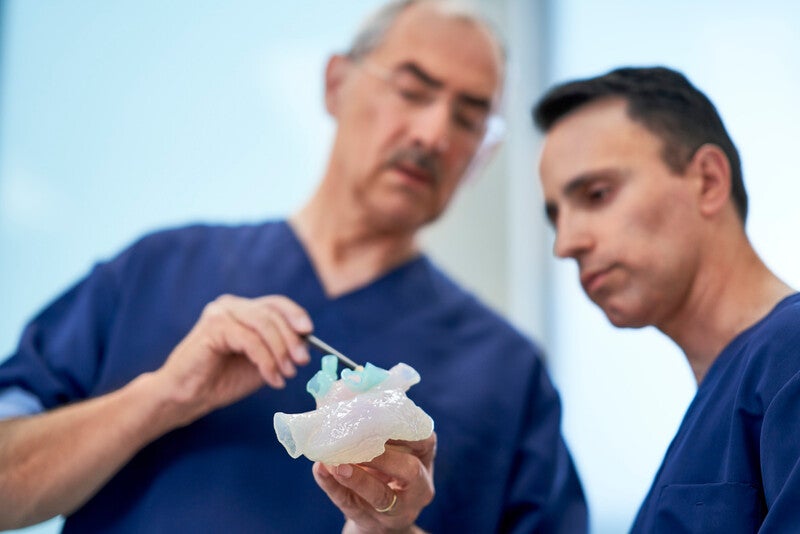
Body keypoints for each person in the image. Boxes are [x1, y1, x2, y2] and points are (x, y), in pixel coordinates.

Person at [0, 1, 587, 532]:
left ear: (481, 154)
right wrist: (161, 397)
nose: (433, 133)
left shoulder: (508, 373)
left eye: (467, 118)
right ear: (336, 84)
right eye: (412, 90)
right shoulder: (153, 274)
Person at [533, 65, 800, 532]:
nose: (566, 244)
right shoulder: (723, 402)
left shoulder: (789, 353)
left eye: (597, 194)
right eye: (556, 217)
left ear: (709, 181)